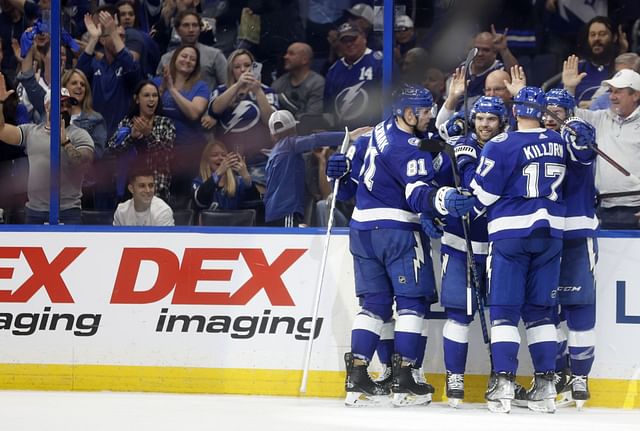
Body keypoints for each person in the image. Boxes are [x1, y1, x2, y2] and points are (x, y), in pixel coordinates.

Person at [341, 84, 474, 407]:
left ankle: (356, 378)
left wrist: (341, 172)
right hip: (397, 231)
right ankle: (404, 382)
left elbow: (351, 184)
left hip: (362, 229)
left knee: (373, 304)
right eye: (426, 110)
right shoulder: (409, 148)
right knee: (412, 305)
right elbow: (417, 193)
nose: (430, 115)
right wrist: (441, 199)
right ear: (409, 113)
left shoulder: (376, 132)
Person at [470, 87, 568, 414]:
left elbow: (482, 196)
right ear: (543, 112)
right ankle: (545, 387)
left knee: (504, 313)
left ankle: (503, 385)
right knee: (541, 314)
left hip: (511, 233)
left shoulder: (501, 144)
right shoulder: (560, 142)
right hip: (551, 233)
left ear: (513, 112)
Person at [437, 96, 507, 408]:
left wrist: (466, 161)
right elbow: (439, 178)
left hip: (498, 246)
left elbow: (479, 185)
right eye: (479, 119)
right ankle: (455, 377)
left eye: (491, 119)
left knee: (505, 315)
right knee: (458, 314)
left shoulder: (508, 146)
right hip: (459, 243)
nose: (484, 125)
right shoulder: (460, 144)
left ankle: (501, 376)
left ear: (502, 121)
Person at [543, 89, 599, 409]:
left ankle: (580, 377)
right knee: (544, 308)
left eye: (557, 112)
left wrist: (575, 130)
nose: (550, 118)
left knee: (578, 307)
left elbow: (583, 150)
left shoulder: (579, 132)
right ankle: (559, 370)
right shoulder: (537, 141)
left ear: (569, 112)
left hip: (576, 232)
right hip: (544, 234)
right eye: (546, 112)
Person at [0, 81, 94, 224]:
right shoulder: (31, 132)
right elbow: (1, 130)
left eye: (68, 105)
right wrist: (0, 102)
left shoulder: (79, 135)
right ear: (47, 105)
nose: (65, 108)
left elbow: (84, 164)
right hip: (35, 210)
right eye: (61, 104)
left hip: (68, 211)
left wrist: (66, 143)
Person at [563, 58, 640, 228]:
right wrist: (569, 89)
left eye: (618, 91)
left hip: (636, 209)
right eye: (611, 91)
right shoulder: (599, 118)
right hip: (602, 207)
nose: (612, 97)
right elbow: (567, 118)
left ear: (635, 95)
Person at [263, 109, 368, 227]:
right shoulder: (290, 145)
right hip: (286, 209)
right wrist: (348, 136)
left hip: (271, 211)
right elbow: (315, 139)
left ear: (272, 133)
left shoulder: (272, 155)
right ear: (293, 129)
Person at [208, 48, 278, 190]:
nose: (243, 70)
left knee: (259, 201)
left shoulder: (267, 91)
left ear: (254, 67)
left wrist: (258, 92)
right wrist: (237, 86)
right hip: (227, 161)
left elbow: (271, 121)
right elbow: (214, 111)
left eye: (247, 65)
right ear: (231, 70)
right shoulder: (221, 91)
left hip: (259, 160)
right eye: (237, 67)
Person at [107, 80, 176, 204]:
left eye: (155, 95)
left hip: (157, 192)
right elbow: (112, 148)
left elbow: (167, 156)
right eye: (146, 95)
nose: (151, 99)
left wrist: (149, 135)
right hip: (128, 192)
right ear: (137, 99)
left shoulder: (165, 123)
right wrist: (131, 137)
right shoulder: (127, 123)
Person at [77, 9, 143, 137]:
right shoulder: (95, 64)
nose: (119, 40)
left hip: (122, 135)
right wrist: (94, 38)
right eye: (114, 36)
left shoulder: (128, 64)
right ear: (102, 41)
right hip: (96, 134)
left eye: (122, 36)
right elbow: (80, 73)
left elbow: (132, 68)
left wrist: (113, 32)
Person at [324, 22, 383, 129]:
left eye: (353, 39)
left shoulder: (380, 62)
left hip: (375, 133)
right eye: (344, 41)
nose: (349, 44)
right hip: (344, 135)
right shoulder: (334, 70)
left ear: (364, 38)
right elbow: (328, 109)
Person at [155, 9, 227, 91]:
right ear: (177, 30)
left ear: (200, 29)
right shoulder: (166, 59)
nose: (191, 30)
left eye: (195, 25)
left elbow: (227, 86)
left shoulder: (215, 55)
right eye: (186, 25)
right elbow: (157, 90)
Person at [569, 16, 629, 106]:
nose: (596, 38)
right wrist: (579, 104)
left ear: (614, 37)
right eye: (592, 35)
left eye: (602, 34)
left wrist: (623, 52)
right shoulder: (577, 68)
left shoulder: (622, 68)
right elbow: (558, 101)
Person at [191, 138, 254, 211]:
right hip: (210, 221)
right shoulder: (198, 181)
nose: (220, 158)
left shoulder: (238, 181)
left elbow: (253, 202)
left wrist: (246, 177)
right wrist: (218, 173)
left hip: (234, 221)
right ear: (206, 160)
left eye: (224, 155)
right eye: (214, 155)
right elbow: (200, 201)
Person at [271, 42, 325, 119]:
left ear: (304, 60)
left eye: (291, 54)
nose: (285, 57)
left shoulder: (317, 83)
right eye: (286, 53)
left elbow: (312, 117)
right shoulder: (278, 83)